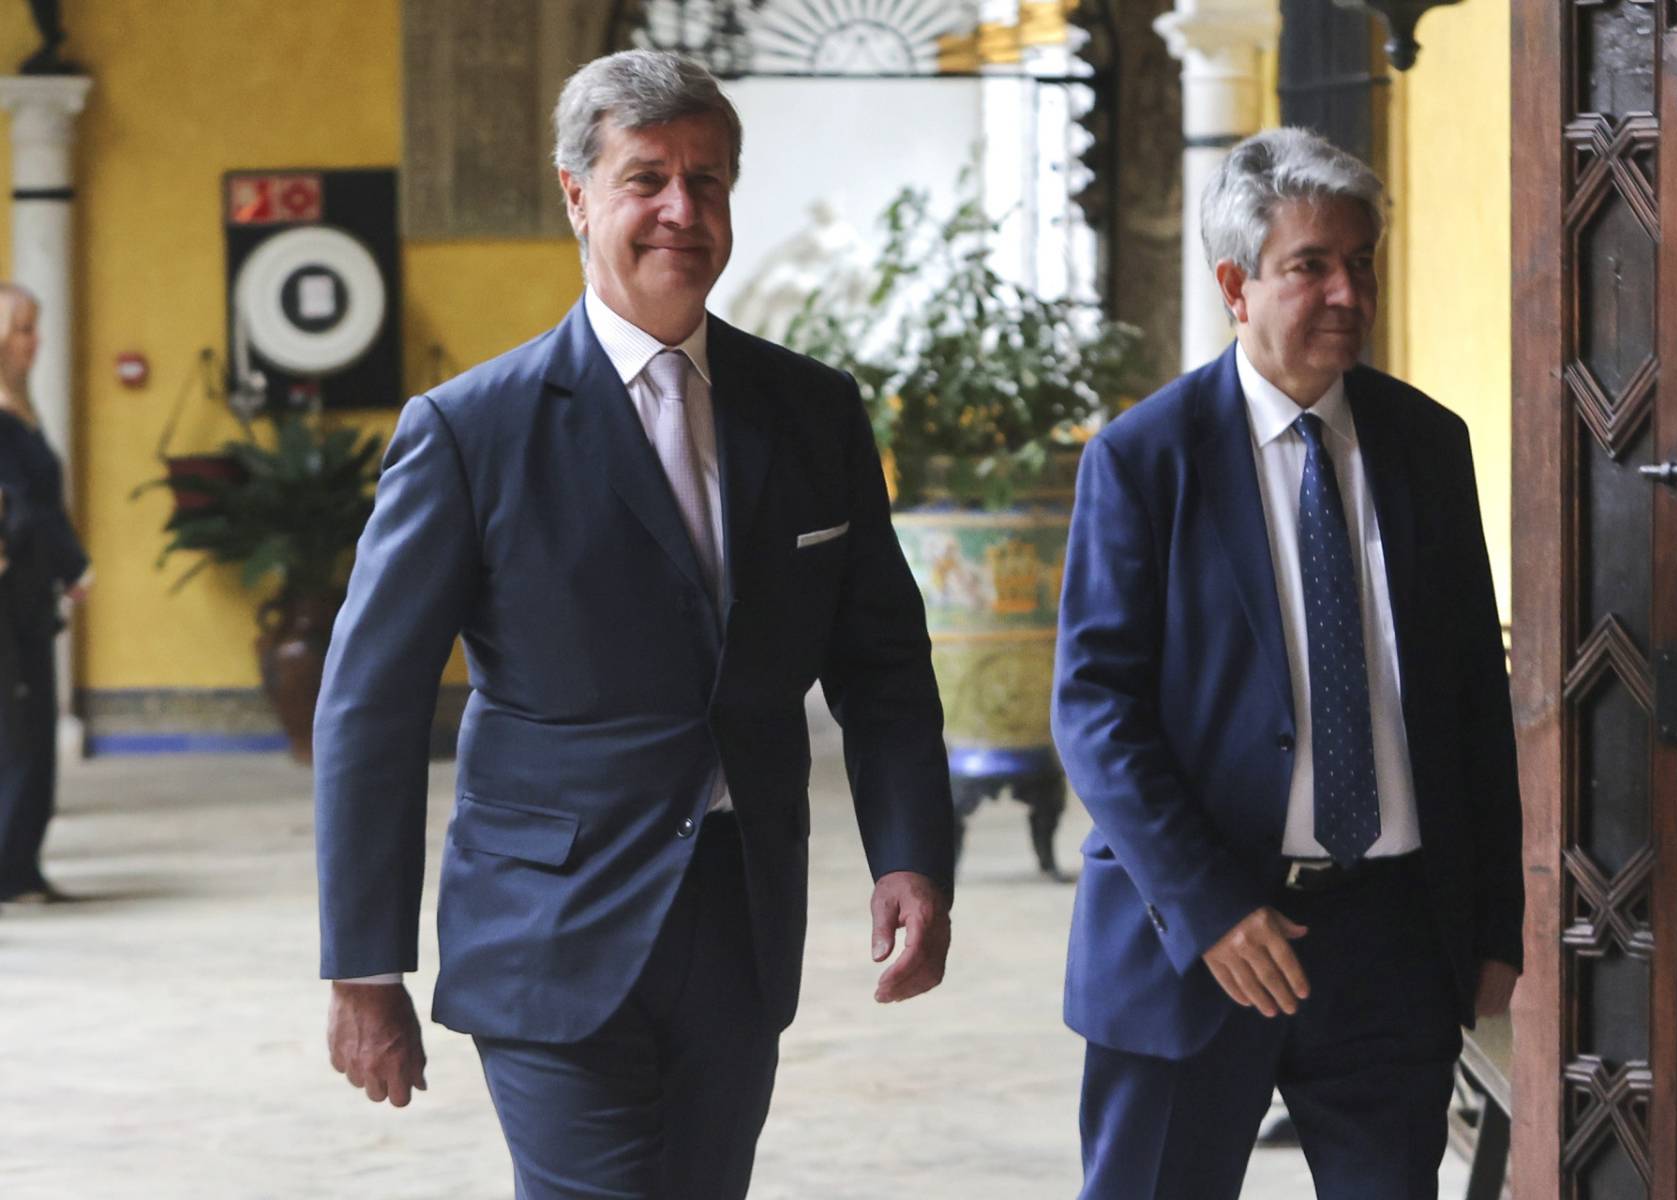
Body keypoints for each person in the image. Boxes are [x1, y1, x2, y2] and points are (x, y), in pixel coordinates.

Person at [313, 50, 957, 1200]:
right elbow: (371, 705)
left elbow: (883, 665)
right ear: (576, 195)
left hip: (740, 918)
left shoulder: (814, 411)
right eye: (646, 178)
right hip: (548, 926)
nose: (681, 210)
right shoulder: (469, 433)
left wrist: (909, 852)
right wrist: (364, 966)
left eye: (707, 182)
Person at [1052, 128, 1523, 1199]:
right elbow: (1095, 710)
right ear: (1236, 286)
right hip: (1199, 938)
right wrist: (1211, 907)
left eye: (1361, 262)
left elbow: (1471, 701)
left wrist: (1495, 920)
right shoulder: (1144, 458)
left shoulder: (1428, 445)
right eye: (1311, 265)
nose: (1348, 292)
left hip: (1392, 942)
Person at [0, 282, 90, 905]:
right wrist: (74, 564)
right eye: (24, 328)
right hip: (9, 596)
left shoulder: (21, 412)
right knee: (18, 730)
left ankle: (21, 867)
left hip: (32, 594)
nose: (35, 341)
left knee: (33, 730)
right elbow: (24, 509)